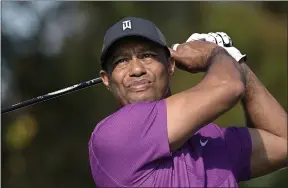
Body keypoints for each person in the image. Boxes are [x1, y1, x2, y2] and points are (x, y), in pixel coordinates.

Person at [88, 17, 287, 187]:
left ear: (170, 64)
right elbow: (230, 86)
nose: (136, 69)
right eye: (121, 61)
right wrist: (215, 54)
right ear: (106, 79)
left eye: (147, 55)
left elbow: (283, 141)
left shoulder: (211, 138)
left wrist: (238, 63)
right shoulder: (112, 136)